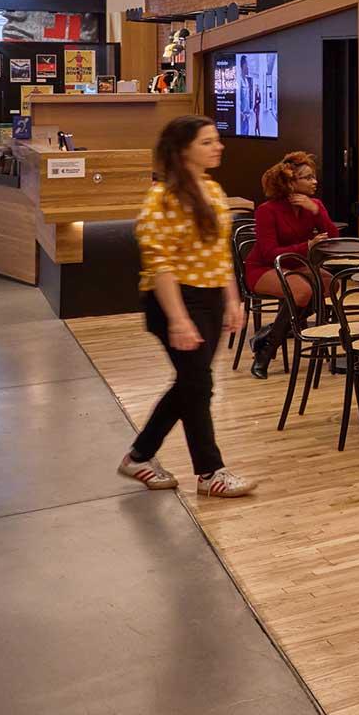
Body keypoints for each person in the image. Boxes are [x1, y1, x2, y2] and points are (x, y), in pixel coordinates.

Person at [118, 115, 258, 498]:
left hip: (210, 296)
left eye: (216, 140)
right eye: (208, 142)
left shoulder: (212, 190)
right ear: (183, 151)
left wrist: (233, 299)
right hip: (175, 300)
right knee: (198, 384)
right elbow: (159, 263)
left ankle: (139, 456)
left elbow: (219, 253)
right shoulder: (161, 199)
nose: (219, 147)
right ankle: (210, 472)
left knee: (192, 384)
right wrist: (178, 319)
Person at [245, 151, 339, 380]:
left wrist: (316, 212)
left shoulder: (314, 204)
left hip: (294, 266)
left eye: (313, 177)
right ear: (289, 182)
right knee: (303, 291)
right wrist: (306, 246)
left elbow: (334, 238)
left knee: (331, 284)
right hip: (263, 268)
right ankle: (266, 354)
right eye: (307, 178)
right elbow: (269, 253)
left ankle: (270, 333)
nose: (314, 182)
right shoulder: (267, 210)